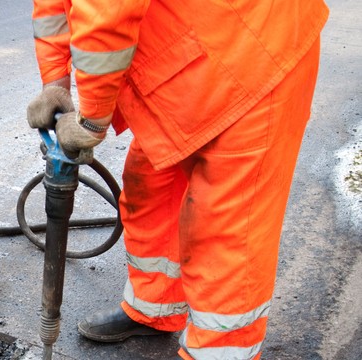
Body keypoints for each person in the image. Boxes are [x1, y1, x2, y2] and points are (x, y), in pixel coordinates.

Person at [27, 0, 329, 358]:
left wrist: (92, 118)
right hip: (187, 52)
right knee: (152, 185)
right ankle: (155, 307)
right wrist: (54, 81)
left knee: (226, 233)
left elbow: (105, 12)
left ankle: (219, 352)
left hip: (251, 53)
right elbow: (52, 7)